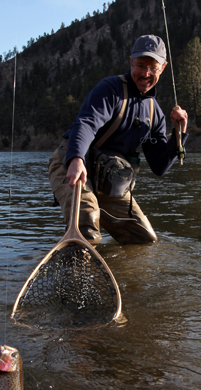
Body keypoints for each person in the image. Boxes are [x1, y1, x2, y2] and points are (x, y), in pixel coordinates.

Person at [48, 34, 188, 245]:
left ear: (163, 67)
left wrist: (179, 135)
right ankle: (77, 272)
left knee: (143, 239)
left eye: (153, 68)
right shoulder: (110, 89)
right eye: (140, 65)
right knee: (86, 224)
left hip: (109, 179)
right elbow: (86, 123)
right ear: (131, 61)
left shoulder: (155, 113)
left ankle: (121, 272)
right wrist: (76, 159)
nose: (145, 73)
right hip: (74, 164)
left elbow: (159, 166)